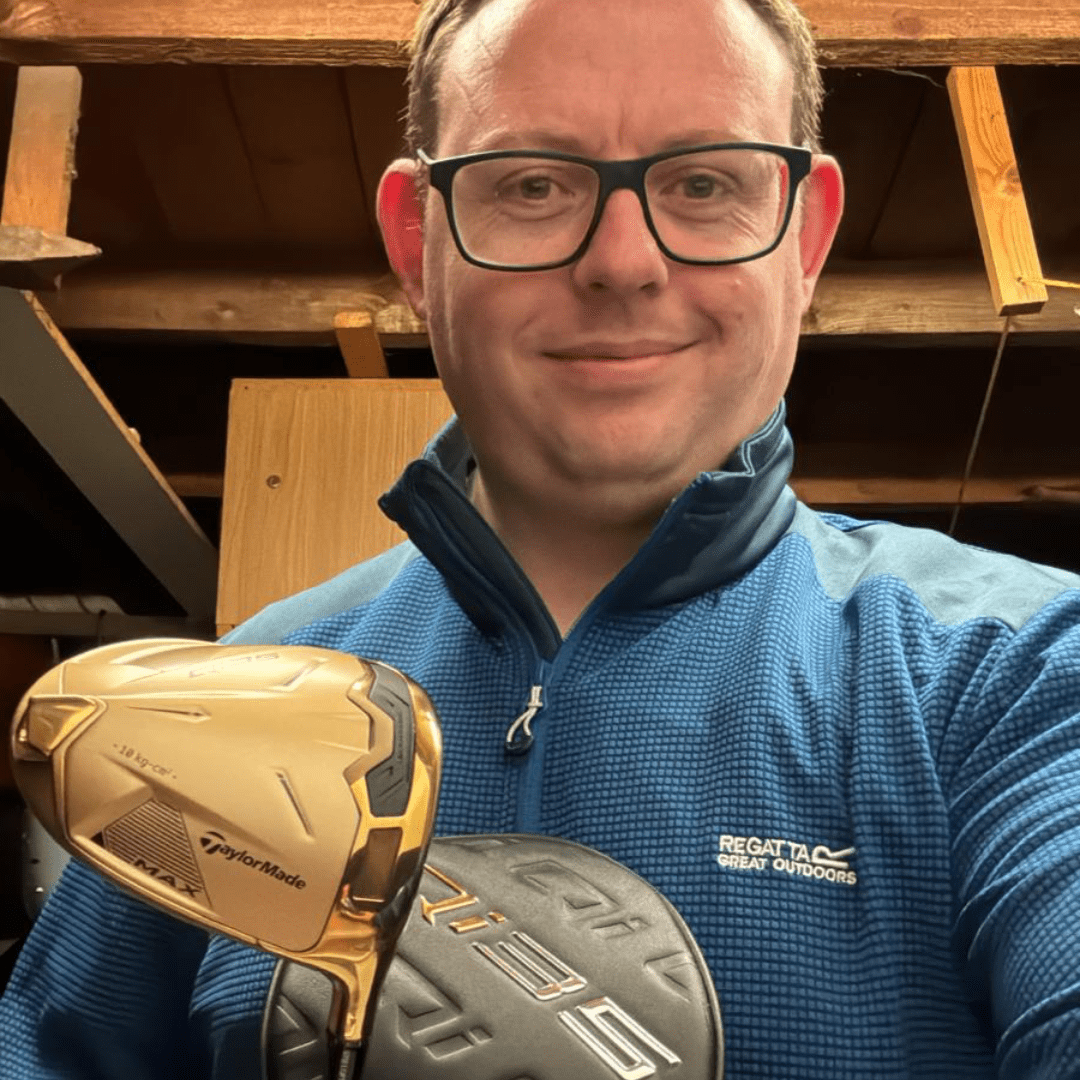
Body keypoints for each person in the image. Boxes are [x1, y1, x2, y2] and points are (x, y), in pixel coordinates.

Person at [3, 0, 1080, 1076]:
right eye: (532, 184)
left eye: (706, 183)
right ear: (417, 242)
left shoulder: (1021, 673)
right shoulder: (237, 700)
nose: (623, 262)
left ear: (804, 238)